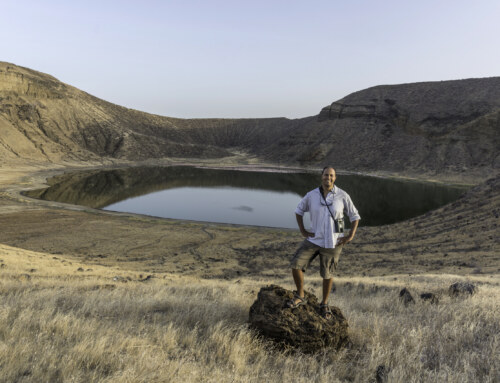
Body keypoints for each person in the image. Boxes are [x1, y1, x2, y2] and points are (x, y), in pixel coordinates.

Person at [287, 166, 360, 319]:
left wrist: (350, 236)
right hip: (314, 239)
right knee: (296, 264)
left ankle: (324, 303)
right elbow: (298, 211)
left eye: (331, 175)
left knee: (328, 274)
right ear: (321, 176)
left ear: (335, 177)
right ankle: (300, 295)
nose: (329, 178)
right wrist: (303, 231)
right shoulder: (312, 195)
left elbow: (355, 216)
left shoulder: (342, 195)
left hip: (333, 242)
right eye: (326, 175)